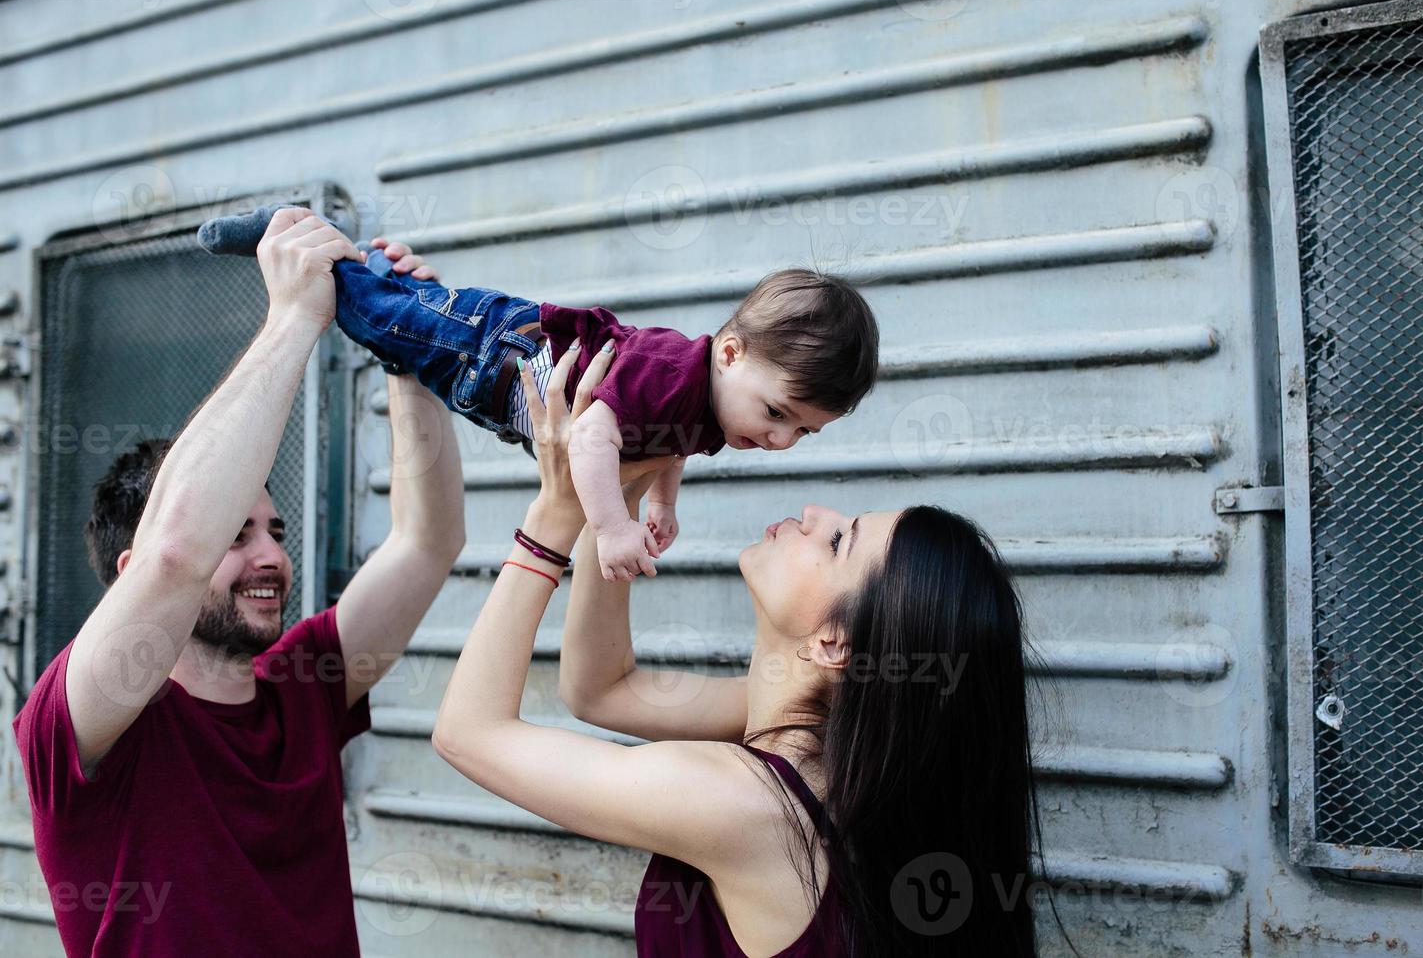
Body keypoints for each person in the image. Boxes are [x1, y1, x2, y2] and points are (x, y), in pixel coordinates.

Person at [432, 344, 1055, 956]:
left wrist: (554, 512)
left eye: (839, 542)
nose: (814, 511)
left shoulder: (746, 805)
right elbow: (600, 690)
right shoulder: (827, 755)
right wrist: (615, 497)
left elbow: (468, 732)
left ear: (834, 644)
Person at [11, 211, 464, 957]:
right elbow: (173, 556)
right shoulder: (84, 719)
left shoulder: (307, 683)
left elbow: (427, 542)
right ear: (130, 579)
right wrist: (291, 319)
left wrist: (405, 359)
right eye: (236, 536)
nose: (270, 558)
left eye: (275, 533)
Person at [197, 202, 881, 583]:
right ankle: (293, 230)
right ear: (729, 353)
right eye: (777, 414)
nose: (780, 440)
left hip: (491, 388)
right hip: (496, 346)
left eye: (804, 433)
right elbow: (590, 435)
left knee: (392, 328)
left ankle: (372, 263)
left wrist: (664, 502)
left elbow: (674, 443)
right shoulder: (675, 371)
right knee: (368, 313)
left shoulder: (715, 410)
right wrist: (612, 527)